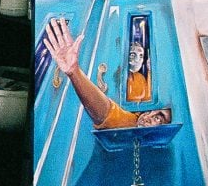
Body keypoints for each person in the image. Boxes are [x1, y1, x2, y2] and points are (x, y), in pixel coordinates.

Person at [42, 17, 171, 129]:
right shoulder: (132, 119)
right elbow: (107, 113)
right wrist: (74, 72)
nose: (148, 116)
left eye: (159, 118)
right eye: (150, 111)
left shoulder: (142, 81)